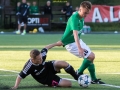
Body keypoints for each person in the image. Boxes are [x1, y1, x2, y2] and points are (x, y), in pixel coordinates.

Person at [57, 1, 105, 84]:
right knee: (91, 56)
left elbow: (76, 13)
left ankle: (93, 79)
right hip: (71, 43)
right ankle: (79, 72)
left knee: (90, 58)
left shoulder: (80, 15)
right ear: (80, 9)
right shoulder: (74, 19)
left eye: (87, 13)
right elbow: (75, 34)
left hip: (77, 41)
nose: (85, 15)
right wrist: (79, 48)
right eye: (84, 13)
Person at [11, 42, 78, 90]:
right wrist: (15, 86)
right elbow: (20, 76)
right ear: (32, 59)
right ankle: (51, 84)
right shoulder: (29, 66)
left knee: (63, 63)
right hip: (46, 78)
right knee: (69, 84)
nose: (41, 59)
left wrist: (57, 44)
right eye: (38, 59)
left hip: (48, 67)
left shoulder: (41, 55)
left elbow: (46, 47)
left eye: (41, 58)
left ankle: (76, 77)